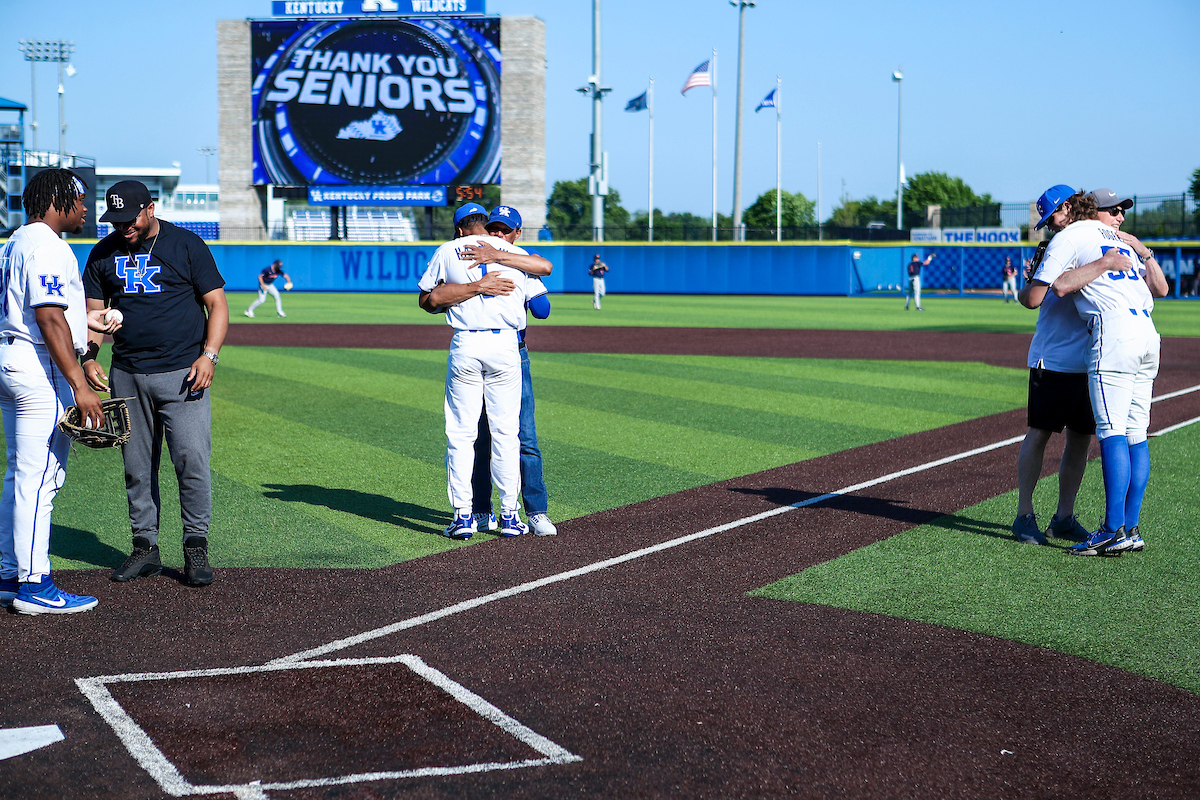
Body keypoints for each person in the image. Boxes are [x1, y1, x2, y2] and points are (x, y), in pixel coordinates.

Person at [83, 180, 229, 586]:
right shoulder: (102, 252)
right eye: (115, 220)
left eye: (129, 219)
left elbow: (216, 304)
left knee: (192, 461)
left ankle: (195, 546)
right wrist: (89, 356)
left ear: (150, 208)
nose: (122, 227)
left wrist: (210, 354)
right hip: (127, 373)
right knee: (136, 467)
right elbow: (93, 315)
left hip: (184, 373)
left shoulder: (186, 245)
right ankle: (144, 547)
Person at [1026, 187, 1168, 555]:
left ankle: (1112, 529)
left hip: (1114, 338)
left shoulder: (1073, 236)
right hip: (1148, 335)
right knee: (1137, 433)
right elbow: (1158, 291)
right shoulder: (1119, 242)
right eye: (1114, 209)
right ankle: (1130, 528)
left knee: (1111, 433)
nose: (1119, 215)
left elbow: (1055, 287)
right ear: (1100, 211)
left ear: (1075, 208)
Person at [0, 170, 106, 614]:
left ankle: (9, 573)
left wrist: (87, 326)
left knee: (18, 474)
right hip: (37, 364)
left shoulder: (15, 240)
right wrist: (79, 384)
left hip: (12, 356)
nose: (85, 208)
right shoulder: (47, 244)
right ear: (58, 200)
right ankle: (34, 585)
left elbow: (42, 313)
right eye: (80, 199)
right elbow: (47, 317)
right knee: (39, 477)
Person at [417, 203, 549, 540]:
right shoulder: (514, 253)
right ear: (485, 226)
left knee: (461, 434)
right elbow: (543, 278)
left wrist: (471, 286)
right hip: (506, 346)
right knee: (507, 433)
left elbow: (428, 300)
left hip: (466, 344)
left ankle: (464, 516)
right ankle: (510, 517)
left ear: (460, 228)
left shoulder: (447, 250)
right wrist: (496, 265)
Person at [463, 206, 558, 537]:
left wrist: (510, 261)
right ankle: (479, 510)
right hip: (476, 351)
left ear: (516, 233)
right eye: (494, 229)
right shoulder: (469, 257)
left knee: (524, 435)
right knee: (480, 436)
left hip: (513, 353)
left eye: (505, 230)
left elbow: (543, 309)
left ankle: (536, 511)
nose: (498, 235)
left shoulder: (520, 261)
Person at [1012, 185, 1095, 546]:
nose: (1051, 227)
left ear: (1067, 207)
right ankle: (1023, 515)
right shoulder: (1062, 243)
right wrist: (1030, 283)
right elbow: (1032, 299)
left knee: (1080, 440)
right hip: (1054, 357)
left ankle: (1063, 517)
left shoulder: (1081, 239)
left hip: (1086, 359)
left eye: (1052, 218)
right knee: (1040, 434)